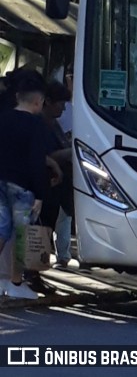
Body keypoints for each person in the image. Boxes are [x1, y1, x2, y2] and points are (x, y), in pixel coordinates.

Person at [0, 72, 50, 299]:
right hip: (23, 186)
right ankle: (16, 283)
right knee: (22, 234)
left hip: (0, 181)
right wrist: (40, 193)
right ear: (38, 102)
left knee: (1, 229)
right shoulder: (36, 124)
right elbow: (36, 161)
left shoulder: (3, 118)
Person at [40, 81, 73, 270]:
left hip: (58, 185)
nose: (63, 108)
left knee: (54, 222)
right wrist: (70, 152)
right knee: (44, 227)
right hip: (47, 183)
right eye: (60, 104)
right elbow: (46, 154)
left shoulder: (54, 124)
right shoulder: (42, 125)